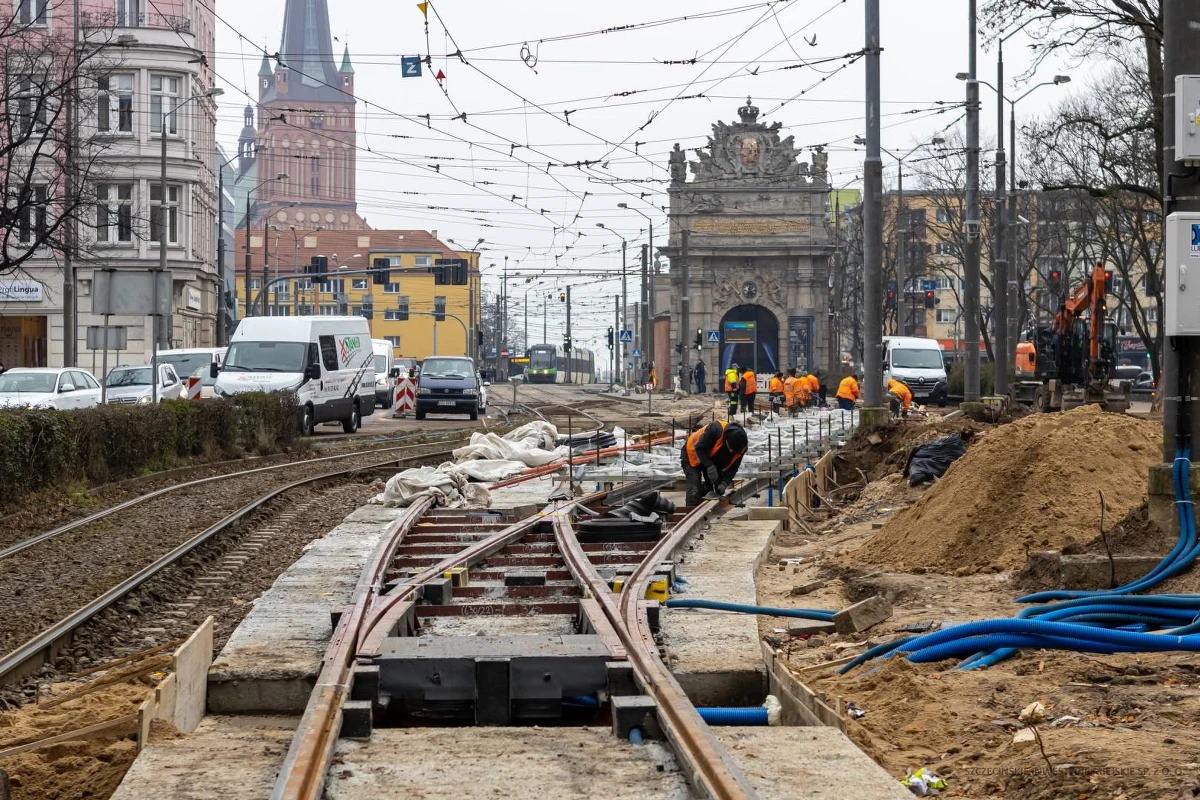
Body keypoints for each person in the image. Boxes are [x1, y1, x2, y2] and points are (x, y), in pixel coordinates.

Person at [680, 419, 749, 506]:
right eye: (731, 449)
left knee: (714, 488)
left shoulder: (741, 447)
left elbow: (733, 468)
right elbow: (700, 448)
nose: (732, 452)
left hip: (710, 457)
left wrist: (724, 483)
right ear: (726, 440)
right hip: (691, 454)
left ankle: (704, 497)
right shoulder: (715, 429)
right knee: (694, 488)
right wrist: (710, 467)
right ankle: (691, 509)